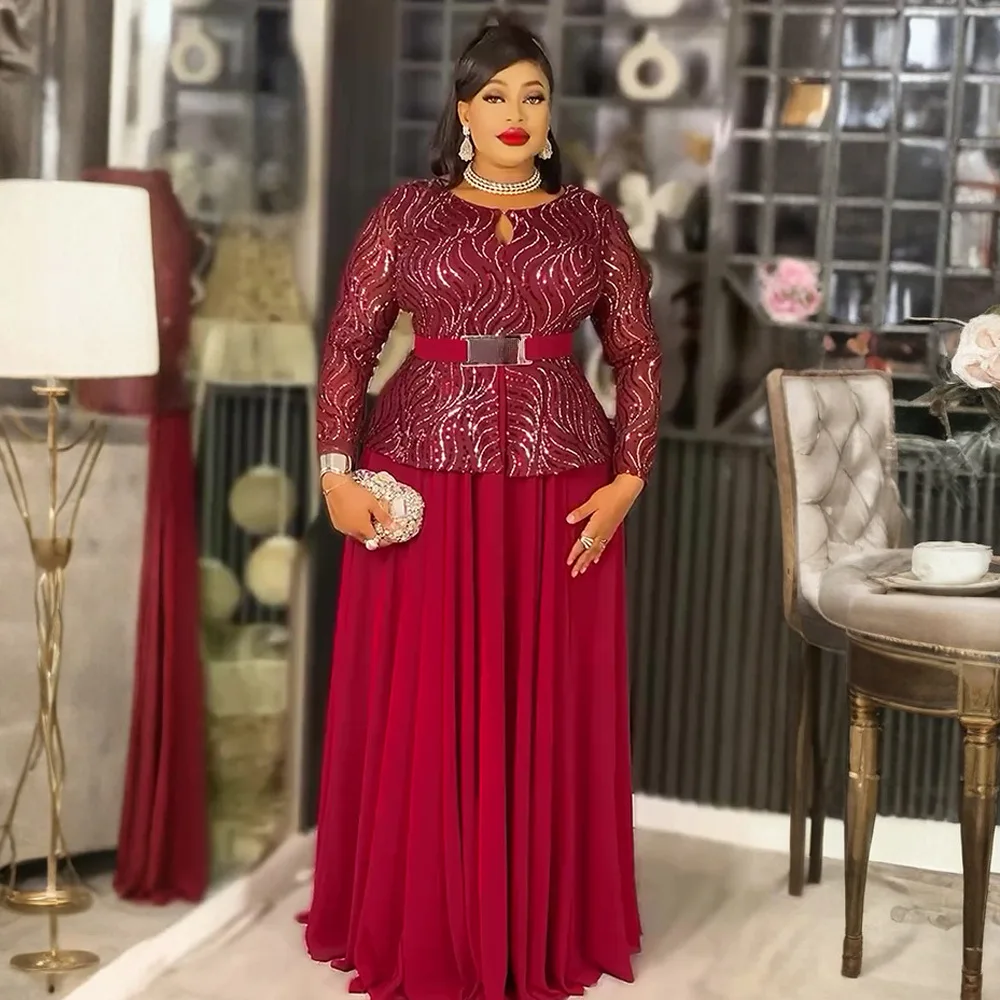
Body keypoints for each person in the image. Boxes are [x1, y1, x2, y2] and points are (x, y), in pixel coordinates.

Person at [303, 12, 661, 1000]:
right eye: (495, 94)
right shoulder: (406, 213)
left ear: (551, 115)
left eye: (533, 96)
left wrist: (628, 478)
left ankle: (538, 919)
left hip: (562, 487)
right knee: (424, 704)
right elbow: (348, 347)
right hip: (421, 477)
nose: (515, 112)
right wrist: (336, 471)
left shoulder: (591, 221)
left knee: (546, 704)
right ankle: (424, 915)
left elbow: (636, 354)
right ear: (461, 110)